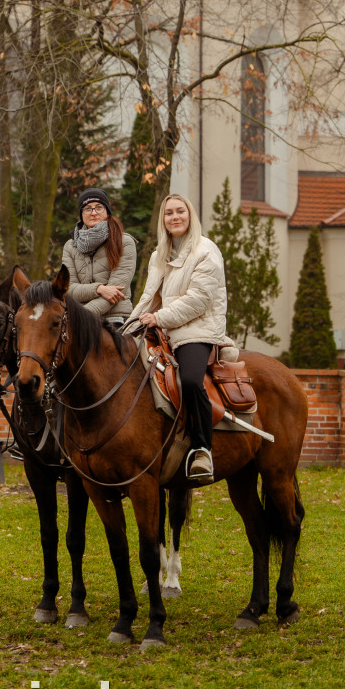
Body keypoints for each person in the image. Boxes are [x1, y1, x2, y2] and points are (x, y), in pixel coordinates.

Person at [131, 193, 227, 483]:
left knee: (189, 380)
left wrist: (159, 318)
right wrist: (128, 327)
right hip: (164, 329)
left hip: (196, 329)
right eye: (168, 213)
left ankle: (202, 448)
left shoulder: (206, 251)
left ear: (190, 215)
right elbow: (149, 298)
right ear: (163, 219)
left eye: (180, 212)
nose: (174, 217)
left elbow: (198, 300)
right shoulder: (159, 255)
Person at [62, 188, 137, 328]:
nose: (94, 212)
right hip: (80, 321)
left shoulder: (124, 242)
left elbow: (116, 292)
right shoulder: (70, 246)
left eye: (98, 207)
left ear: (107, 211)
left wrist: (81, 316)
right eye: (87, 208)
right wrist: (98, 289)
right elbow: (69, 289)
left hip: (115, 318)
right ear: (81, 214)